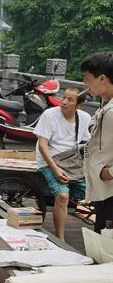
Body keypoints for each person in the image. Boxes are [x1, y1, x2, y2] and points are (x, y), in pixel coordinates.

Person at [34, 88, 91, 240]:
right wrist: (55, 169)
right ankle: (61, 239)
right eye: (63, 97)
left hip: (72, 161)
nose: (64, 102)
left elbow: (86, 145)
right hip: (49, 160)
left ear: (79, 105)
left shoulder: (84, 118)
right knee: (63, 195)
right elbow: (42, 146)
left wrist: (89, 165)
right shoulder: (49, 115)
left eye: (70, 100)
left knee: (96, 192)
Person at [81, 53, 113, 232]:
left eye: (87, 79)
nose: (85, 84)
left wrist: (108, 173)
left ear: (102, 78)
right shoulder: (105, 104)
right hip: (104, 191)